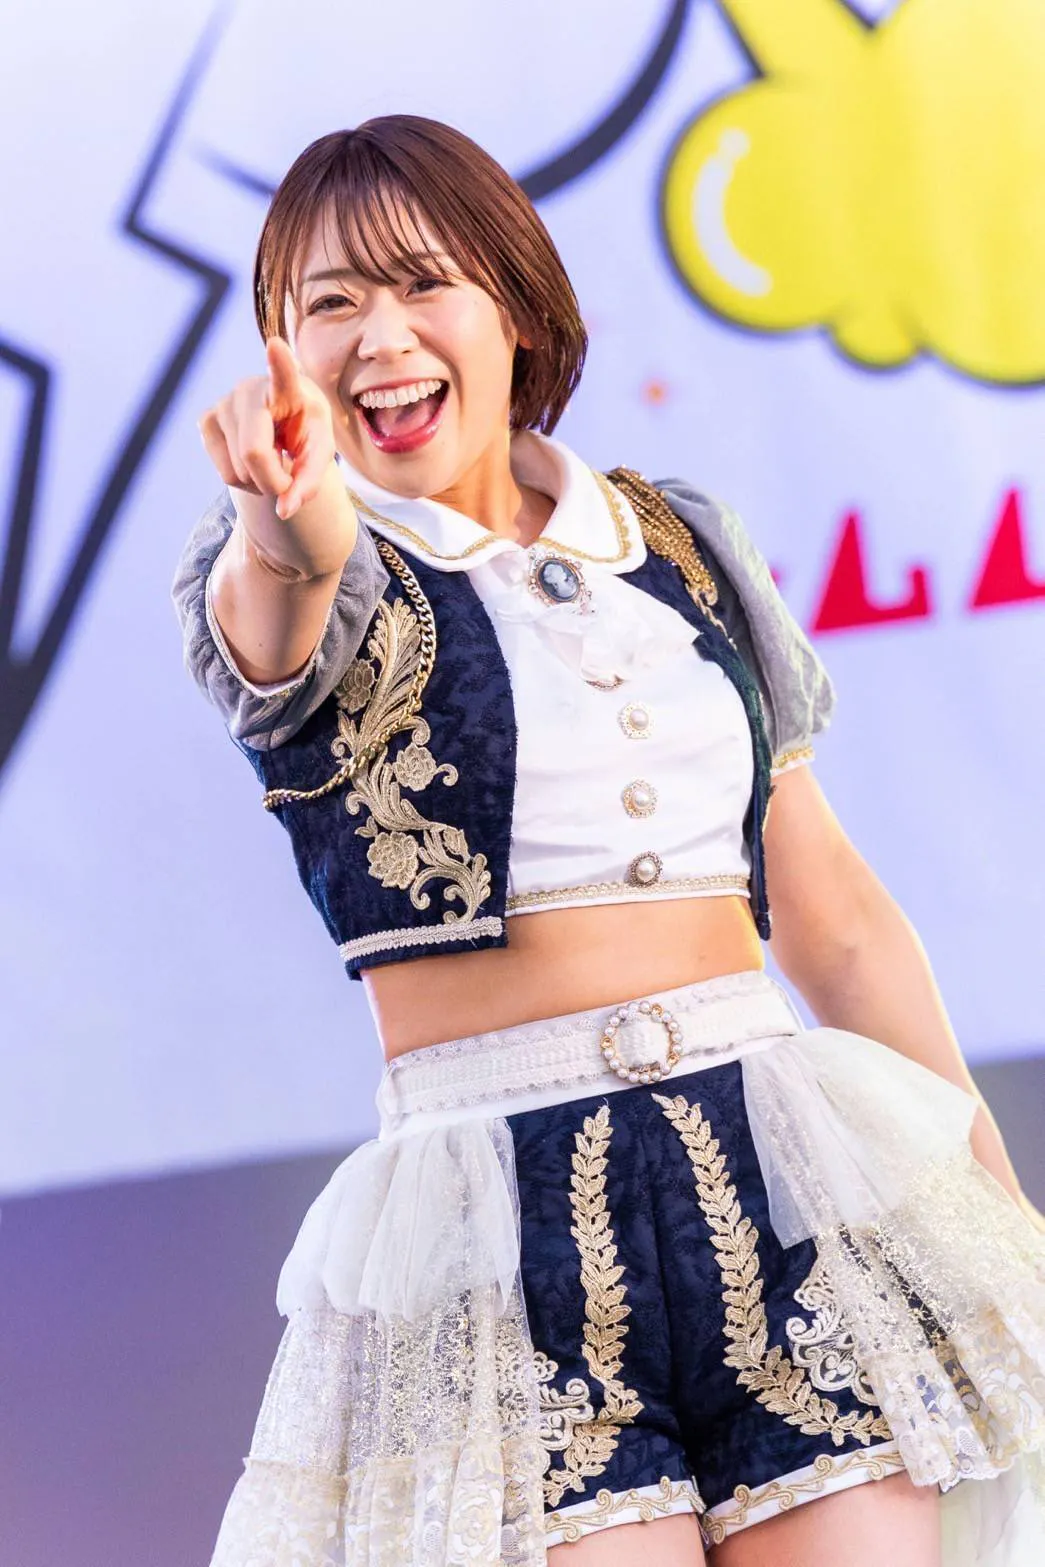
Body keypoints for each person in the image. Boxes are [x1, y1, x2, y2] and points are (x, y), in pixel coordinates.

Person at [173, 116, 1045, 1567]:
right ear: (287, 354)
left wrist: (995, 1209)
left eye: (422, 284)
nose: (380, 336)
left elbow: (830, 917)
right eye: (330, 303)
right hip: (501, 1251)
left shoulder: (678, 540)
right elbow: (280, 595)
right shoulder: (302, 566)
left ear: (515, 307)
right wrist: (281, 519)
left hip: (788, 1180)